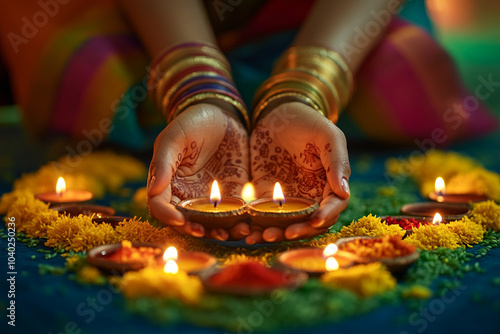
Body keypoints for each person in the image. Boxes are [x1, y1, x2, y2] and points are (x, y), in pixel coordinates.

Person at [1, 0, 496, 244]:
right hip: (161, 26)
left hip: (324, 24)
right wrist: (199, 91)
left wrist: (304, 91)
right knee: (80, 69)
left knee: (405, 75)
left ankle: (276, 98)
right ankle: (214, 95)